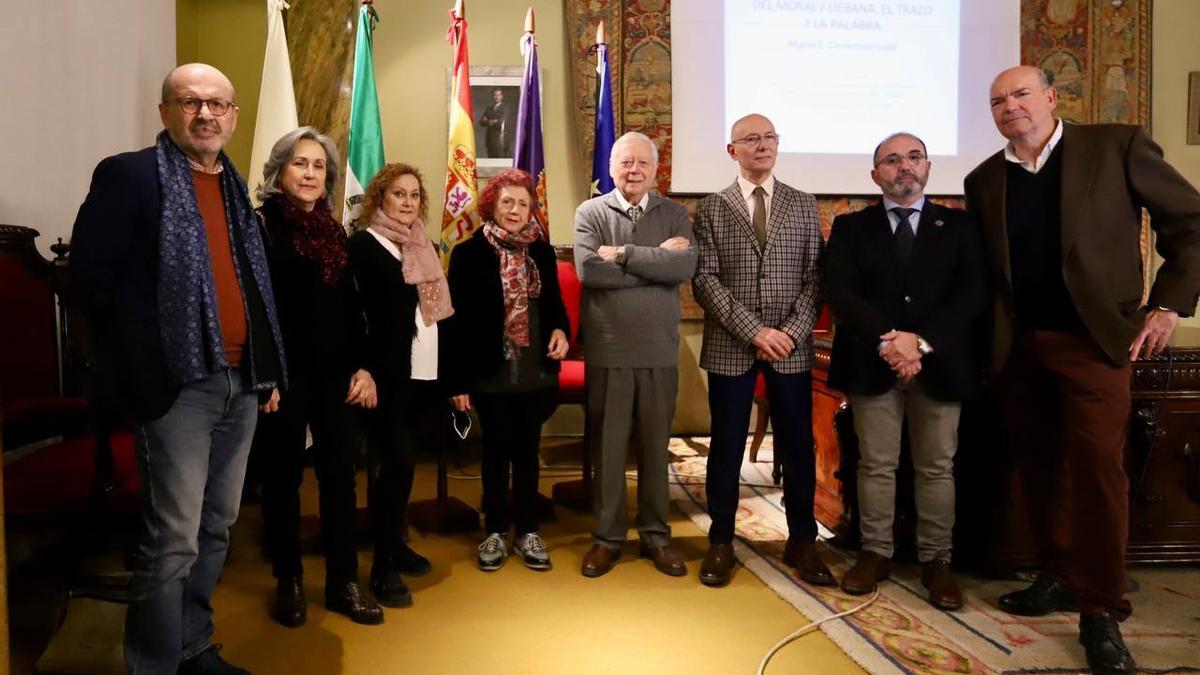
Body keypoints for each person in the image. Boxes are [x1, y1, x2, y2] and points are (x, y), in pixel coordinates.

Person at [965, 65, 1200, 673]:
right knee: (1041, 470)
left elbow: (1190, 224)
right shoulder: (984, 179)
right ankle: (1061, 572)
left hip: (1095, 343)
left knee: (1098, 472)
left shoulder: (1114, 144)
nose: (1009, 106)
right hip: (1020, 348)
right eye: (997, 100)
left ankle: (1101, 607)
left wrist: (1168, 303)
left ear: (1049, 96)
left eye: (1020, 93)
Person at [70, 63, 286, 674]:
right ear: (165, 112)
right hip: (175, 389)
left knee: (217, 529)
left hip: (240, 383)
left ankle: (193, 647)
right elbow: (91, 280)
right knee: (173, 541)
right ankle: (155, 664)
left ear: (234, 117)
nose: (206, 114)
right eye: (190, 102)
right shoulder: (131, 175)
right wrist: (146, 366)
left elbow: (251, 286)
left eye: (218, 104)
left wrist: (265, 373)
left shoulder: (237, 190)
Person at [823, 132, 988, 609]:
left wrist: (921, 342)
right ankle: (875, 553)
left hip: (941, 366)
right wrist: (891, 340)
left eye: (913, 158)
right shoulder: (852, 228)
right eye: (892, 161)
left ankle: (937, 561)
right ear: (876, 175)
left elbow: (971, 295)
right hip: (873, 364)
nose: (904, 167)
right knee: (876, 465)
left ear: (929, 168)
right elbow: (842, 293)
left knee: (936, 467)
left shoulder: (959, 228)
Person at [692, 113, 830, 588]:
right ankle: (721, 541)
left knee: (796, 445)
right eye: (751, 139)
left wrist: (788, 331)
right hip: (733, 344)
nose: (762, 145)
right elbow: (705, 280)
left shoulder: (802, 204)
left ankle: (802, 541)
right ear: (733, 150)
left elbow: (816, 278)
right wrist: (755, 331)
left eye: (769, 137)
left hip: (790, 348)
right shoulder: (711, 208)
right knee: (726, 446)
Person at [253, 127, 383, 627]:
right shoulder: (261, 226)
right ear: (280, 171)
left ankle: (343, 582)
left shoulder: (335, 229)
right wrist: (266, 377)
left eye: (318, 166)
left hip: (338, 375)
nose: (310, 174)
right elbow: (256, 312)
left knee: (340, 482)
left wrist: (365, 366)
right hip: (284, 378)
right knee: (283, 481)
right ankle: (288, 582)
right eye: (299, 164)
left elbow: (354, 309)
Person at [573, 131, 698, 578]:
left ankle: (655, 536)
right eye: (626, 163)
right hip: (609, 350)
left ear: (655, 169)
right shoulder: (590, 212)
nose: (634, 171)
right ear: (611, 167)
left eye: (643, 164)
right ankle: (607, 539)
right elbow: (590, 271)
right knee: (607, 451)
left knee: (654, 447)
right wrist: (654, 266)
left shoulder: (674, 214)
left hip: (659, 350)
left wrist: (624, 255)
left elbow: (684, 267)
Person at [443, 168, 570, 571]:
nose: (515, 210)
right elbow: (455, 324)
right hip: (490, 371)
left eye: (523, 203)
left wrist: (561, 332)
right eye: (507, 202)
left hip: (535, 370)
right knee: (496, 452)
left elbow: (555, 310)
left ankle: (528, 529)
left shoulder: (543, 251)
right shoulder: (468, 254)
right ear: (491, 206)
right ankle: (495, 530)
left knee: (529, 453)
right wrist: (457, 380)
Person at [347, 163, 453, 608]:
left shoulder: (419, 244)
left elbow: (433, 314)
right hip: (383, 376)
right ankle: (382, 568)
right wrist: (362, 368)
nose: (408, 202)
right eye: (398, 194)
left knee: (401, 467)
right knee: (397, 463)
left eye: (414, 195)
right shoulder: (363, 246)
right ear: (379, 199)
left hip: (420, 373)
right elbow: (353, 316)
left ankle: (393, 542)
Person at [479, 88, 510, 158]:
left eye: (499, 95)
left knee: (501, 165)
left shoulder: (505, 108)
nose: (497, 97)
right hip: (490, 141)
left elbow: (501, 123)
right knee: (491, 164)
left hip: (500, 141)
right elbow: (481, 122)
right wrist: (493, 121)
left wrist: (487, 120)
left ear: (502, 96)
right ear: (492, 96)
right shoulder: (488, 108)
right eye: (495, 95)